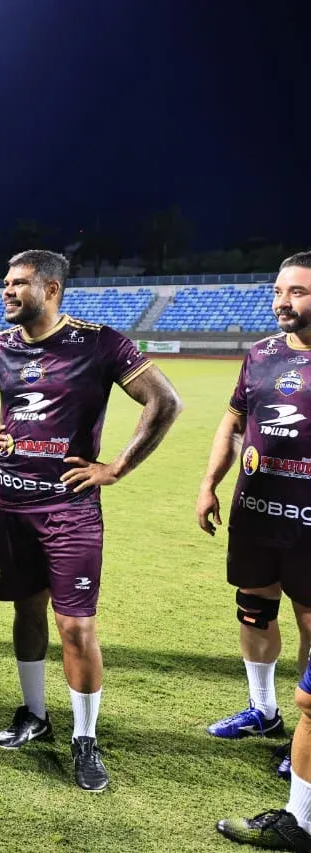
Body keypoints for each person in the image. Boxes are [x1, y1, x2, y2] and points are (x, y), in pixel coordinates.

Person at [0, 249, 182, 792]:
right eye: (4, 282)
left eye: (19, 283)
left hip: (69, 509)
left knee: (75, 627)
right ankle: (34, 713)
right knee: (25, 615)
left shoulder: (101, 343)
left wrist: (116, 467)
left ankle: (84, 738)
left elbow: (163, 400)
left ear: (51, 290)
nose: (6, 291)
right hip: (9, 505)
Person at [214, 253, 311, 849]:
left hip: (309, 526)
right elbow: (231, 423)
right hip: (256, 515)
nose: (284, 300)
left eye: (297, 291)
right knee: (254, 610)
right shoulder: (260, 354)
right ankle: (264, 709)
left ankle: (304, 734)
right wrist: (209, 483)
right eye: (279, 290)